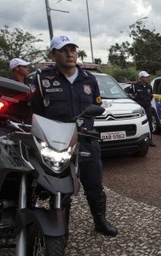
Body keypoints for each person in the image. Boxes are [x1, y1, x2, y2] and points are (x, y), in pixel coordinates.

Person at [30, 34, 118, 237]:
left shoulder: (89, 79)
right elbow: (35, 112)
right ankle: (61, 229)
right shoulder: (42, 79)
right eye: (64, 50)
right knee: (59, 188)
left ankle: (100, 220)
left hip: (84, 139)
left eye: (73, 50)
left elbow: (96, 105)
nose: (70, 54)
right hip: (56, 141)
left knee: (94, 183)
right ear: (53, 54)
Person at [130, 71, 156, 147]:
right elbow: (130, 96)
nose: (147, 78)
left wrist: (147, 102)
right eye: (145, 77)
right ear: (141, 78)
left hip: (147, 108)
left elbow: (151, 95)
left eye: (147, 77)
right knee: (140, 124)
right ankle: (138, 140)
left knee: (149, 124)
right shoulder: (135, 86)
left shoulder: (149, 86)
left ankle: (150, 140)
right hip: (139, 109)